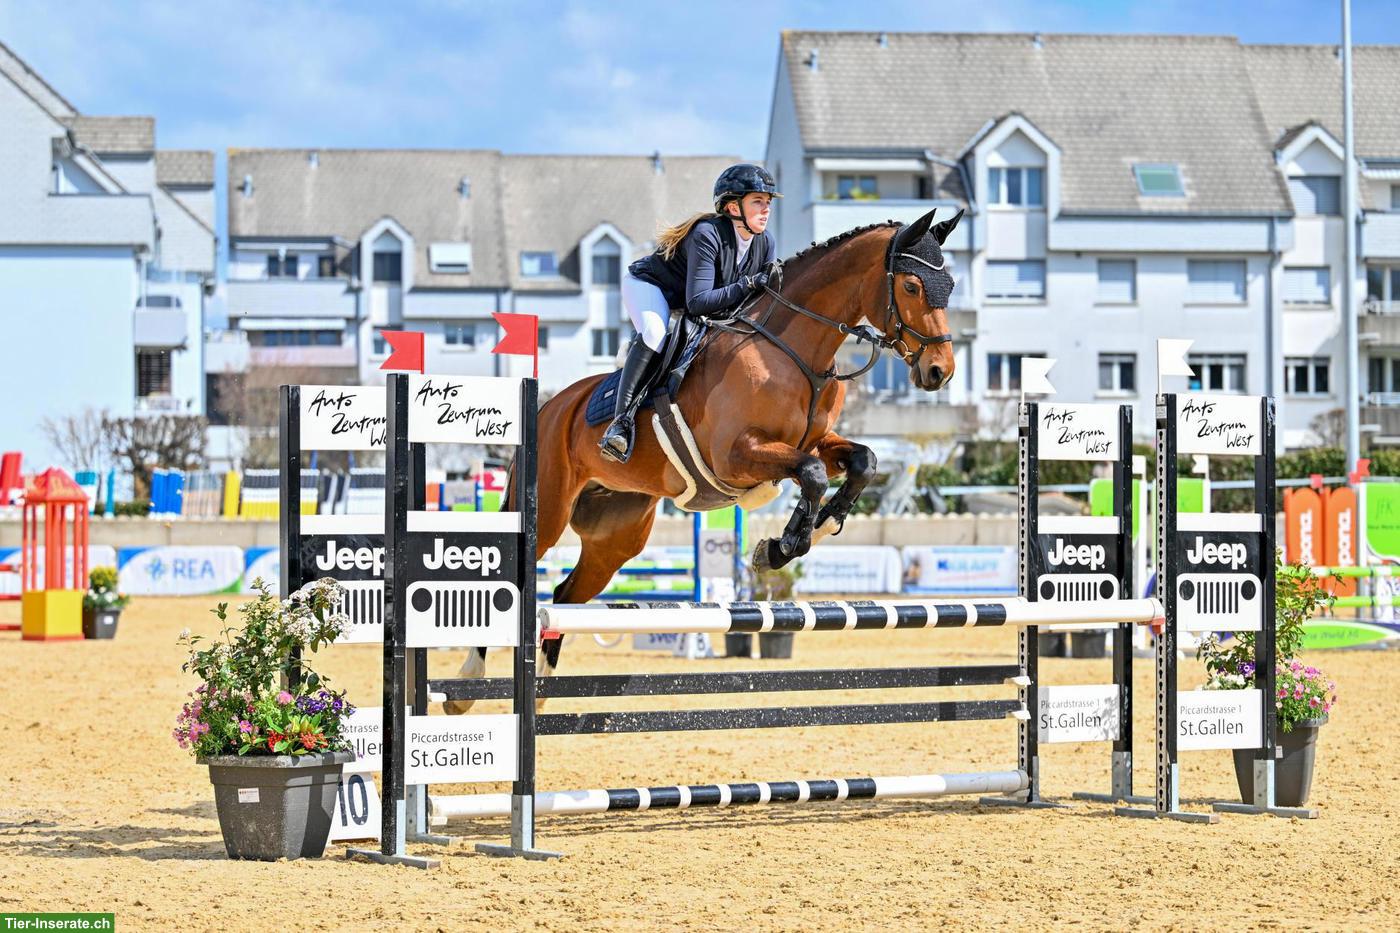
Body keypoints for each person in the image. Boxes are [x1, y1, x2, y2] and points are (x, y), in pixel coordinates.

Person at [598, 163, 781, 463]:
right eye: (758, 201)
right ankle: (621, 424)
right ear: (734, 207)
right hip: (651, 288)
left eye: (768, 202)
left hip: (695, 301)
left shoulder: (765, 242)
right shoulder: (707, 234)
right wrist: (748, 284)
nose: (766, 209)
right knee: (656, 333)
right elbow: (698, 302)